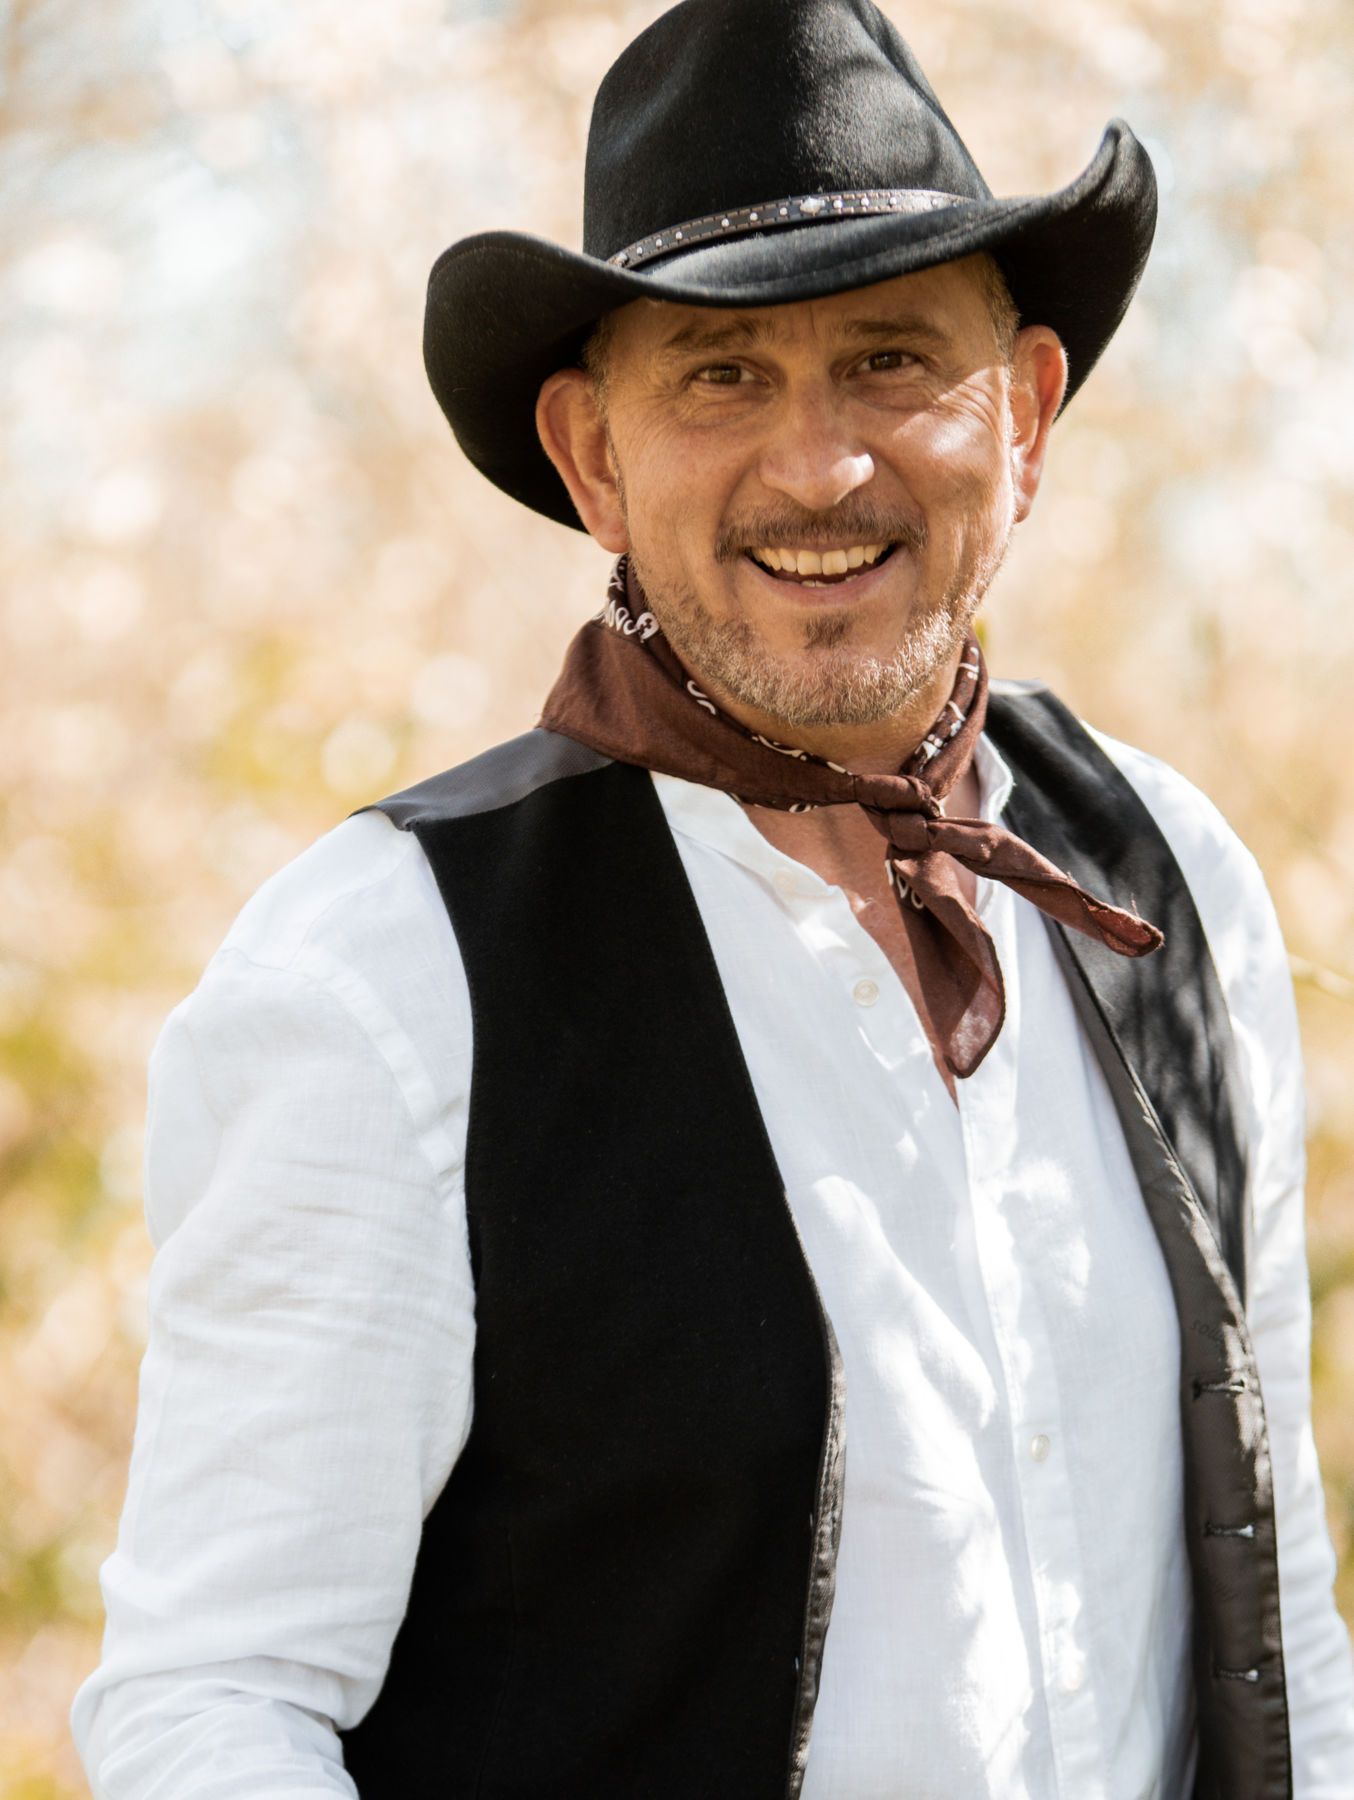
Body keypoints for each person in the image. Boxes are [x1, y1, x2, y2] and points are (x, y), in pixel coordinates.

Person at [73, 0, 1354, 1795]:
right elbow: (213, 1708)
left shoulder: (1169, 871)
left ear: (1024, 416)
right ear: (593, 459)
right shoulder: (381, 973)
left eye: (891, 359)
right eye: (720, 376)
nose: (818, 467)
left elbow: (1275, 1598)